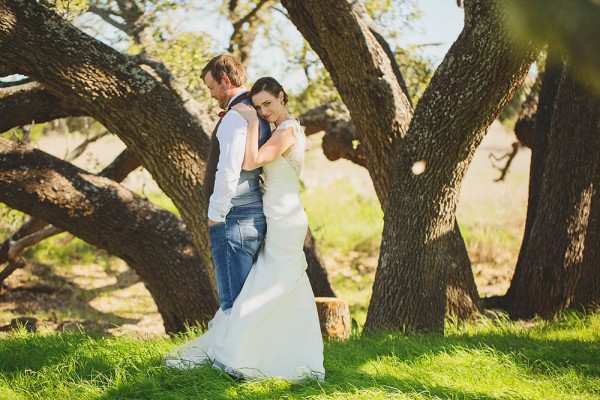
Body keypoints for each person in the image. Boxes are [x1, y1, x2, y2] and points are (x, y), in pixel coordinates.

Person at [165, 77, 325, 381]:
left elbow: (251, 161)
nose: (264, 111)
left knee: (270, 286)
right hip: (277, 212)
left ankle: (250, 354)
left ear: (282, 97)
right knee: (274, 287)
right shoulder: (283, 128)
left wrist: (250, 121)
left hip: (284, 218)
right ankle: (269, 352)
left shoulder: (288, 129)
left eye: (268, 104)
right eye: (258, 106)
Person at [201, 53, 272, 312]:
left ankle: (232, 353)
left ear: (225, 80)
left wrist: (216, 215)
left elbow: (228, 170)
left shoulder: (235, 117)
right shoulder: (260, 113)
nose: (211, 94)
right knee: (248, 299)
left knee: (233, 301)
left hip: (233, 218)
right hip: (253, 211)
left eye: (211, 87)